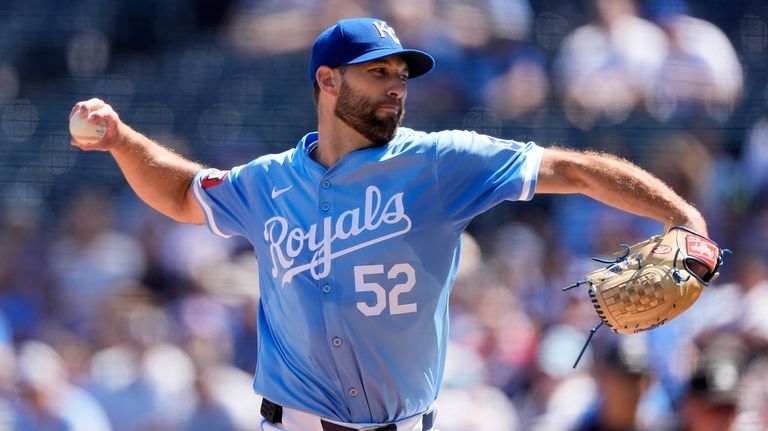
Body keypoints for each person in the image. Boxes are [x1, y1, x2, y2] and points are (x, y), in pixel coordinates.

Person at [69, 17, 709, 431]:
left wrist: (683, 217)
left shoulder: (442, 161)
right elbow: (184, 192)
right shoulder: (268, 182)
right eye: (378, 72)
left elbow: (572, 170)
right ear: (326, 80)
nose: (395, 88)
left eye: (401, 76)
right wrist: (124, 140)